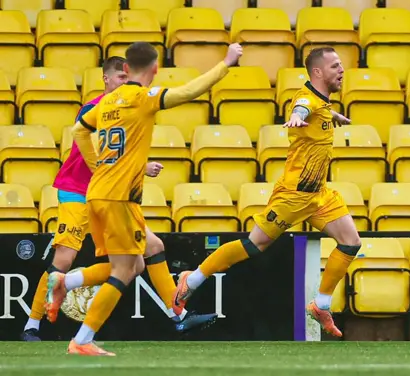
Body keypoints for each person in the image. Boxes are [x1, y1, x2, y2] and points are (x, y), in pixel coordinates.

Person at [67, 41, 243, 356]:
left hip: (101, 192)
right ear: (155, 68)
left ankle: (177, 315)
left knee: (143, 256)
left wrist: (102, 167)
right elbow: (189, 91)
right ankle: (78, 329)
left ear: (125, 69)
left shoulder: (108, 101)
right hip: (119, 197)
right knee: (124, 269)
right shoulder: (142, 97)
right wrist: (226, 63)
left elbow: (79, 131)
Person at [20, 57, 214, 341]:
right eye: (120, 79)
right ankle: (31, 326)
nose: (125, 83)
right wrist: (141, 167)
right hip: (77, 189)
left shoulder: (131, 109)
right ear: (106, 80)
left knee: (151, 248)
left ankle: (178, 316)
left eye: (127, 78)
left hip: (111, 195)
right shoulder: (95, 108)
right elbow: (101, 150)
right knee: (64, 258)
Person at [171, 47, 360, 337]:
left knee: (350, 242)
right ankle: (192, 279)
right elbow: (302, 108)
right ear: (318, 72)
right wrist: (297, 117)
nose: (341, 70)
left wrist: (331, 115)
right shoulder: (306, 100)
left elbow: (316, 108)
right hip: (294, 194)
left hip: (319, 193)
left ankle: (320, 304)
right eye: (335, 66)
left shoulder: (320, 101)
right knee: (253, 245)